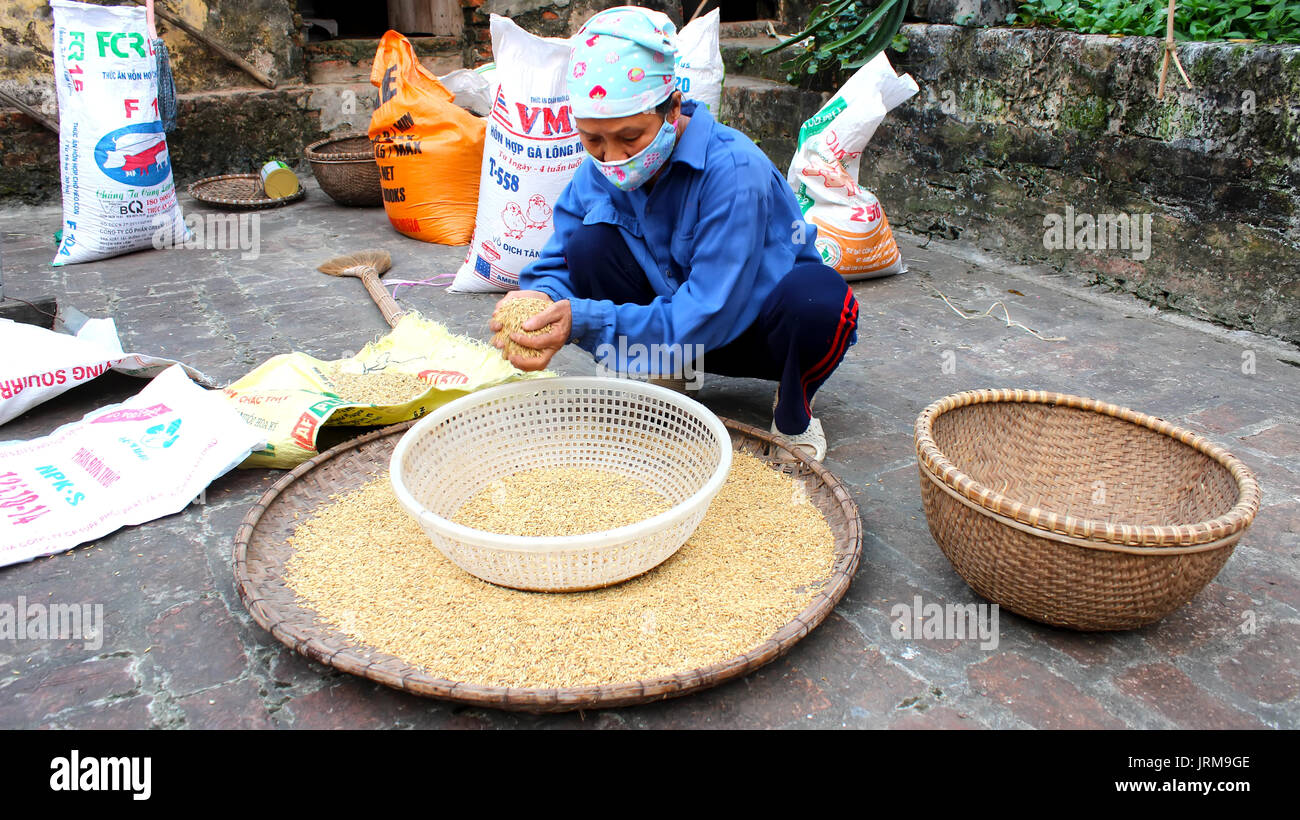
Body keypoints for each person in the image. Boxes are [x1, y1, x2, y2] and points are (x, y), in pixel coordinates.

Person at [490, 5, 858, 462]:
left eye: (630, 137)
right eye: (593, 140)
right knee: (589, 244)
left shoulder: (733, 171)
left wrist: (581, 320)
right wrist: (539, 301)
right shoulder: (598, 170)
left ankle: (793, 406)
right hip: (676, 330)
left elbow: (711, 307)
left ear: (672, 109)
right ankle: (669, 371)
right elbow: (558, 260)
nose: (613, 157)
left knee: (819, 302)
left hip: (753, 332)